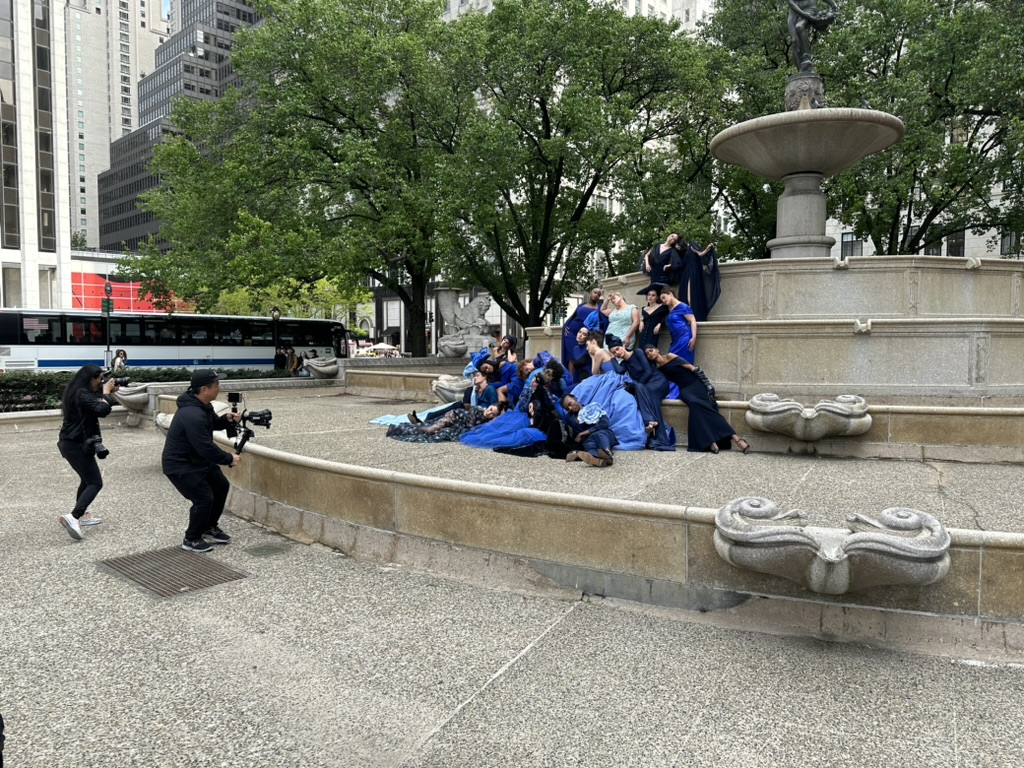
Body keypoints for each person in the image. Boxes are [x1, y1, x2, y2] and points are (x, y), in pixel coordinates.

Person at [161, 369, 242, 553]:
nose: (219, 388)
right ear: (205, 389)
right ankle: (191, 539)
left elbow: (213, 423)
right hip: (180, 465)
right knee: (204, 498)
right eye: (216, 385)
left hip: (197, 461)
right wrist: (228, 458)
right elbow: (205, 446)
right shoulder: (191, 414)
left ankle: (209, 527)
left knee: (221, 486)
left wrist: (227, 419)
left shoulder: (203, 406)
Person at [645, 347, 750, 454]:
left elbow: (691, 367)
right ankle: (735, 438)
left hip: (697, 384)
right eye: (647, 354)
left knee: (699, 408)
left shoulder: (670, 356)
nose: (650, 354)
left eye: (651, 350)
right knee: (694, 403)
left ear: (657, 350)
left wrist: (707, 384)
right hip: (685, 389)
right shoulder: (659, 370)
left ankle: (712, 441)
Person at [56, 364, 118, 541]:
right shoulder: (82, 394)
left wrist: (109, 393)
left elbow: (97, 405)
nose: (102, 382)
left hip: (75, 443)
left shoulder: (80, 392)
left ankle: (81, 516)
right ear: (90, 378)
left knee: (86, 479)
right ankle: (74, 516)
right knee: (95, 482)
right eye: (100, 379)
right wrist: (106, 393)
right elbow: (101, 410)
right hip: (75, 444)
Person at [607, 334, 675, 452]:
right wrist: (612, 358)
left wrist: (637, 385)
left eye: (617, 349)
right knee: (643, 394)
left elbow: (648, 372)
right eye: (614, 352)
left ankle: (650, 421)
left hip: (658, 381)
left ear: (623, 346)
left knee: (639, 388)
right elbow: (619, 370)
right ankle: (655, 431)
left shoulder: (637, 352)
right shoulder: (624, 364)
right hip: (646, 388)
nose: (617, 353)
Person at [388, 404, 501, 443]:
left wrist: (492, 422)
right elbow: (471, 426)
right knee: (430, 430)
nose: (489, 413)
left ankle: (417, 424)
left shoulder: (485, 421)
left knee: (436, 431)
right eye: (490, 409)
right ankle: (398, 429)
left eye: (492, 414)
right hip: (453, 417)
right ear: (489, 406)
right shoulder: (477, 410)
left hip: (456, 425)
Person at [560, 394, 616, 467]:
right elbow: (574, 434)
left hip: (604, 433)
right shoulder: (570, 418)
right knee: (589, 444)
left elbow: (604, 423)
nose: (570, 408)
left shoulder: (593, 407)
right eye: (567, 409)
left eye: (570, 404)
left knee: (599, 434)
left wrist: (583, 433)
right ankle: (597, 459)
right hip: (588, 439)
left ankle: (607, 454)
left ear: (575, 398)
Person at [674, 239, 720, 322]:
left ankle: (693, 315)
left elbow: (701, 254)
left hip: (693, 272)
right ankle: (687, 315)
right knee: (685, 296)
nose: (676, 247)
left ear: (680, 243)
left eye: (677, 244)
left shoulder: (691, 245)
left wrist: (707, 248)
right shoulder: (682, 253)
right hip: (685, 274)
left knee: (691, 296)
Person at [788, 0, 838, 73]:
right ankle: (801, 72)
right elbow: (791, 3)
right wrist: (804, 14)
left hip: (809, 9)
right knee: (794, 42)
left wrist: (833, 4)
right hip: (794, 13)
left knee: (799, 27)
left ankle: (807, 58)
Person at [561, 288, 604, 366]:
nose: (596, 295)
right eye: (595, 292)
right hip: (571, 333)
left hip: (585, 336)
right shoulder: (581, 305)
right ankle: (570, 374)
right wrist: (566, 326)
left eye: (599, 295)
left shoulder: (599, 308)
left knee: (581, 357)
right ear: (591, 293)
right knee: (571, 356)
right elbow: (572, 317)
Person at [658, 285, 698, 364]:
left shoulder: (683, 306)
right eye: (662, 300)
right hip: (675, 339)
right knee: (673, 361)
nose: (663, 301)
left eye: (664, 297)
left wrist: (694, 337)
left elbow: (693, 320)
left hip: (684, 337)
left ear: (670, 294)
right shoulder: (670, 309)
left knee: (681, 362)